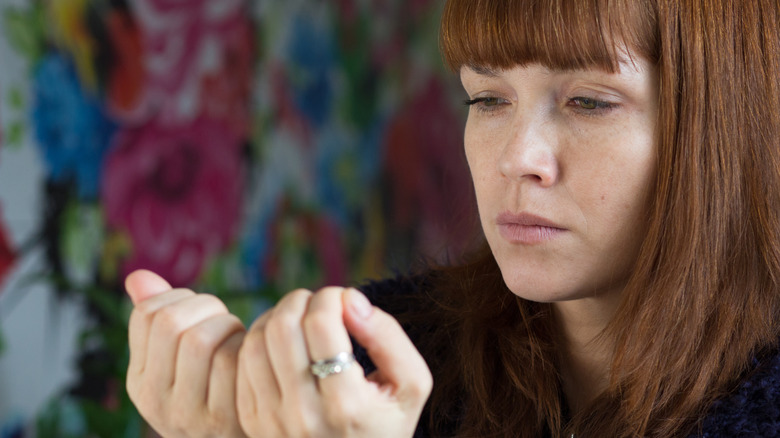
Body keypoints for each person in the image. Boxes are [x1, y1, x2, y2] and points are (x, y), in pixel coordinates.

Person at [124, 0, 780, 436]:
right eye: (489, 98)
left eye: (587, 101)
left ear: (722, 127)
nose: (517, 159)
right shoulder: (369, 360)